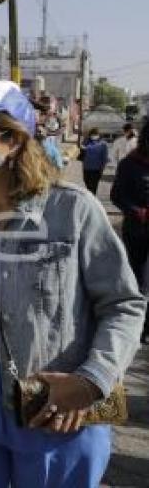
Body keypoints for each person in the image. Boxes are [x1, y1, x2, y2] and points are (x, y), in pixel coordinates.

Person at [0, 80, 145, 487]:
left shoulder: (73, 210)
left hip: (56, 405)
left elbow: (123, 304)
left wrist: (93, 379)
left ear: (12, 139)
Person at [111, 120, 149, 344]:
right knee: (141, 281)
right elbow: (117, 195)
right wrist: (138, 212)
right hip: (138, 232)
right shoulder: (130, 164)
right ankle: (139, 327)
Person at [80, 128, 108, 195]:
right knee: (87, 184)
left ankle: (91, 200)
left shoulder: (103, 144)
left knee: (93, 187)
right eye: (92, 135)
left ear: (99, 135)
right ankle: (90, 199)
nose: (94, 136)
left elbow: (104, 158)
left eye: (95, 134)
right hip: (86, 168)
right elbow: (81, 150)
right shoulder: (86, 142)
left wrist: (102, 168)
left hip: (96, 169)